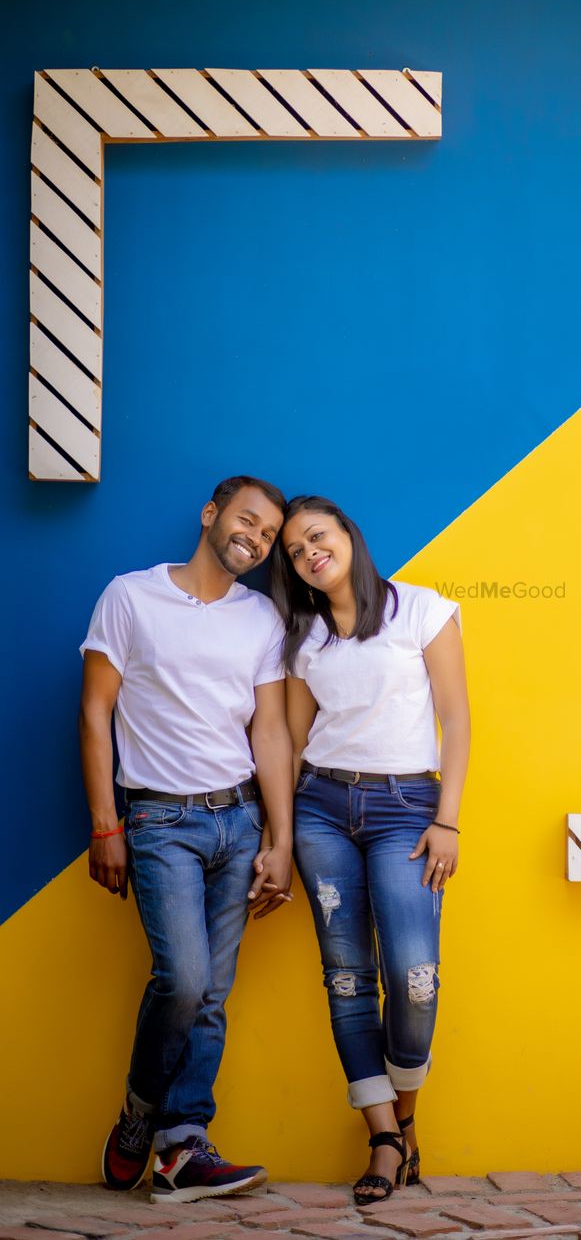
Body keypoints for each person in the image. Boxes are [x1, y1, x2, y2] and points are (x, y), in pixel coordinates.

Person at [80, 476, 294, 1204]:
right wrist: (105, 824)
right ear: (211, 515)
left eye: (268, 535)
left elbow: (268, 732)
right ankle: (142, 1111)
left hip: (238, 824)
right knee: (185, 981)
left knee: (213, 996)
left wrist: (280, 837)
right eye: (247, 521)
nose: (256, 539)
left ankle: (182, 1145)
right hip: (159, 822)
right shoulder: (130, 597)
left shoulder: (261, 617)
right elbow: (94, 712)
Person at [271, 496, 470, 1206]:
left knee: (415, 977)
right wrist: (280, 836)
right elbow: (294, 743)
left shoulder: (422, 609)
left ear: (348, 535)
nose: (308, 554)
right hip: (322, 809)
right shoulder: (302, 635)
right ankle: (384, 1140)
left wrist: (447, 821)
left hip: (407, 809)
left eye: (316, 537)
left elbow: (456, 717)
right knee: (349, 978)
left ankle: (405, 1116)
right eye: (293, 551)